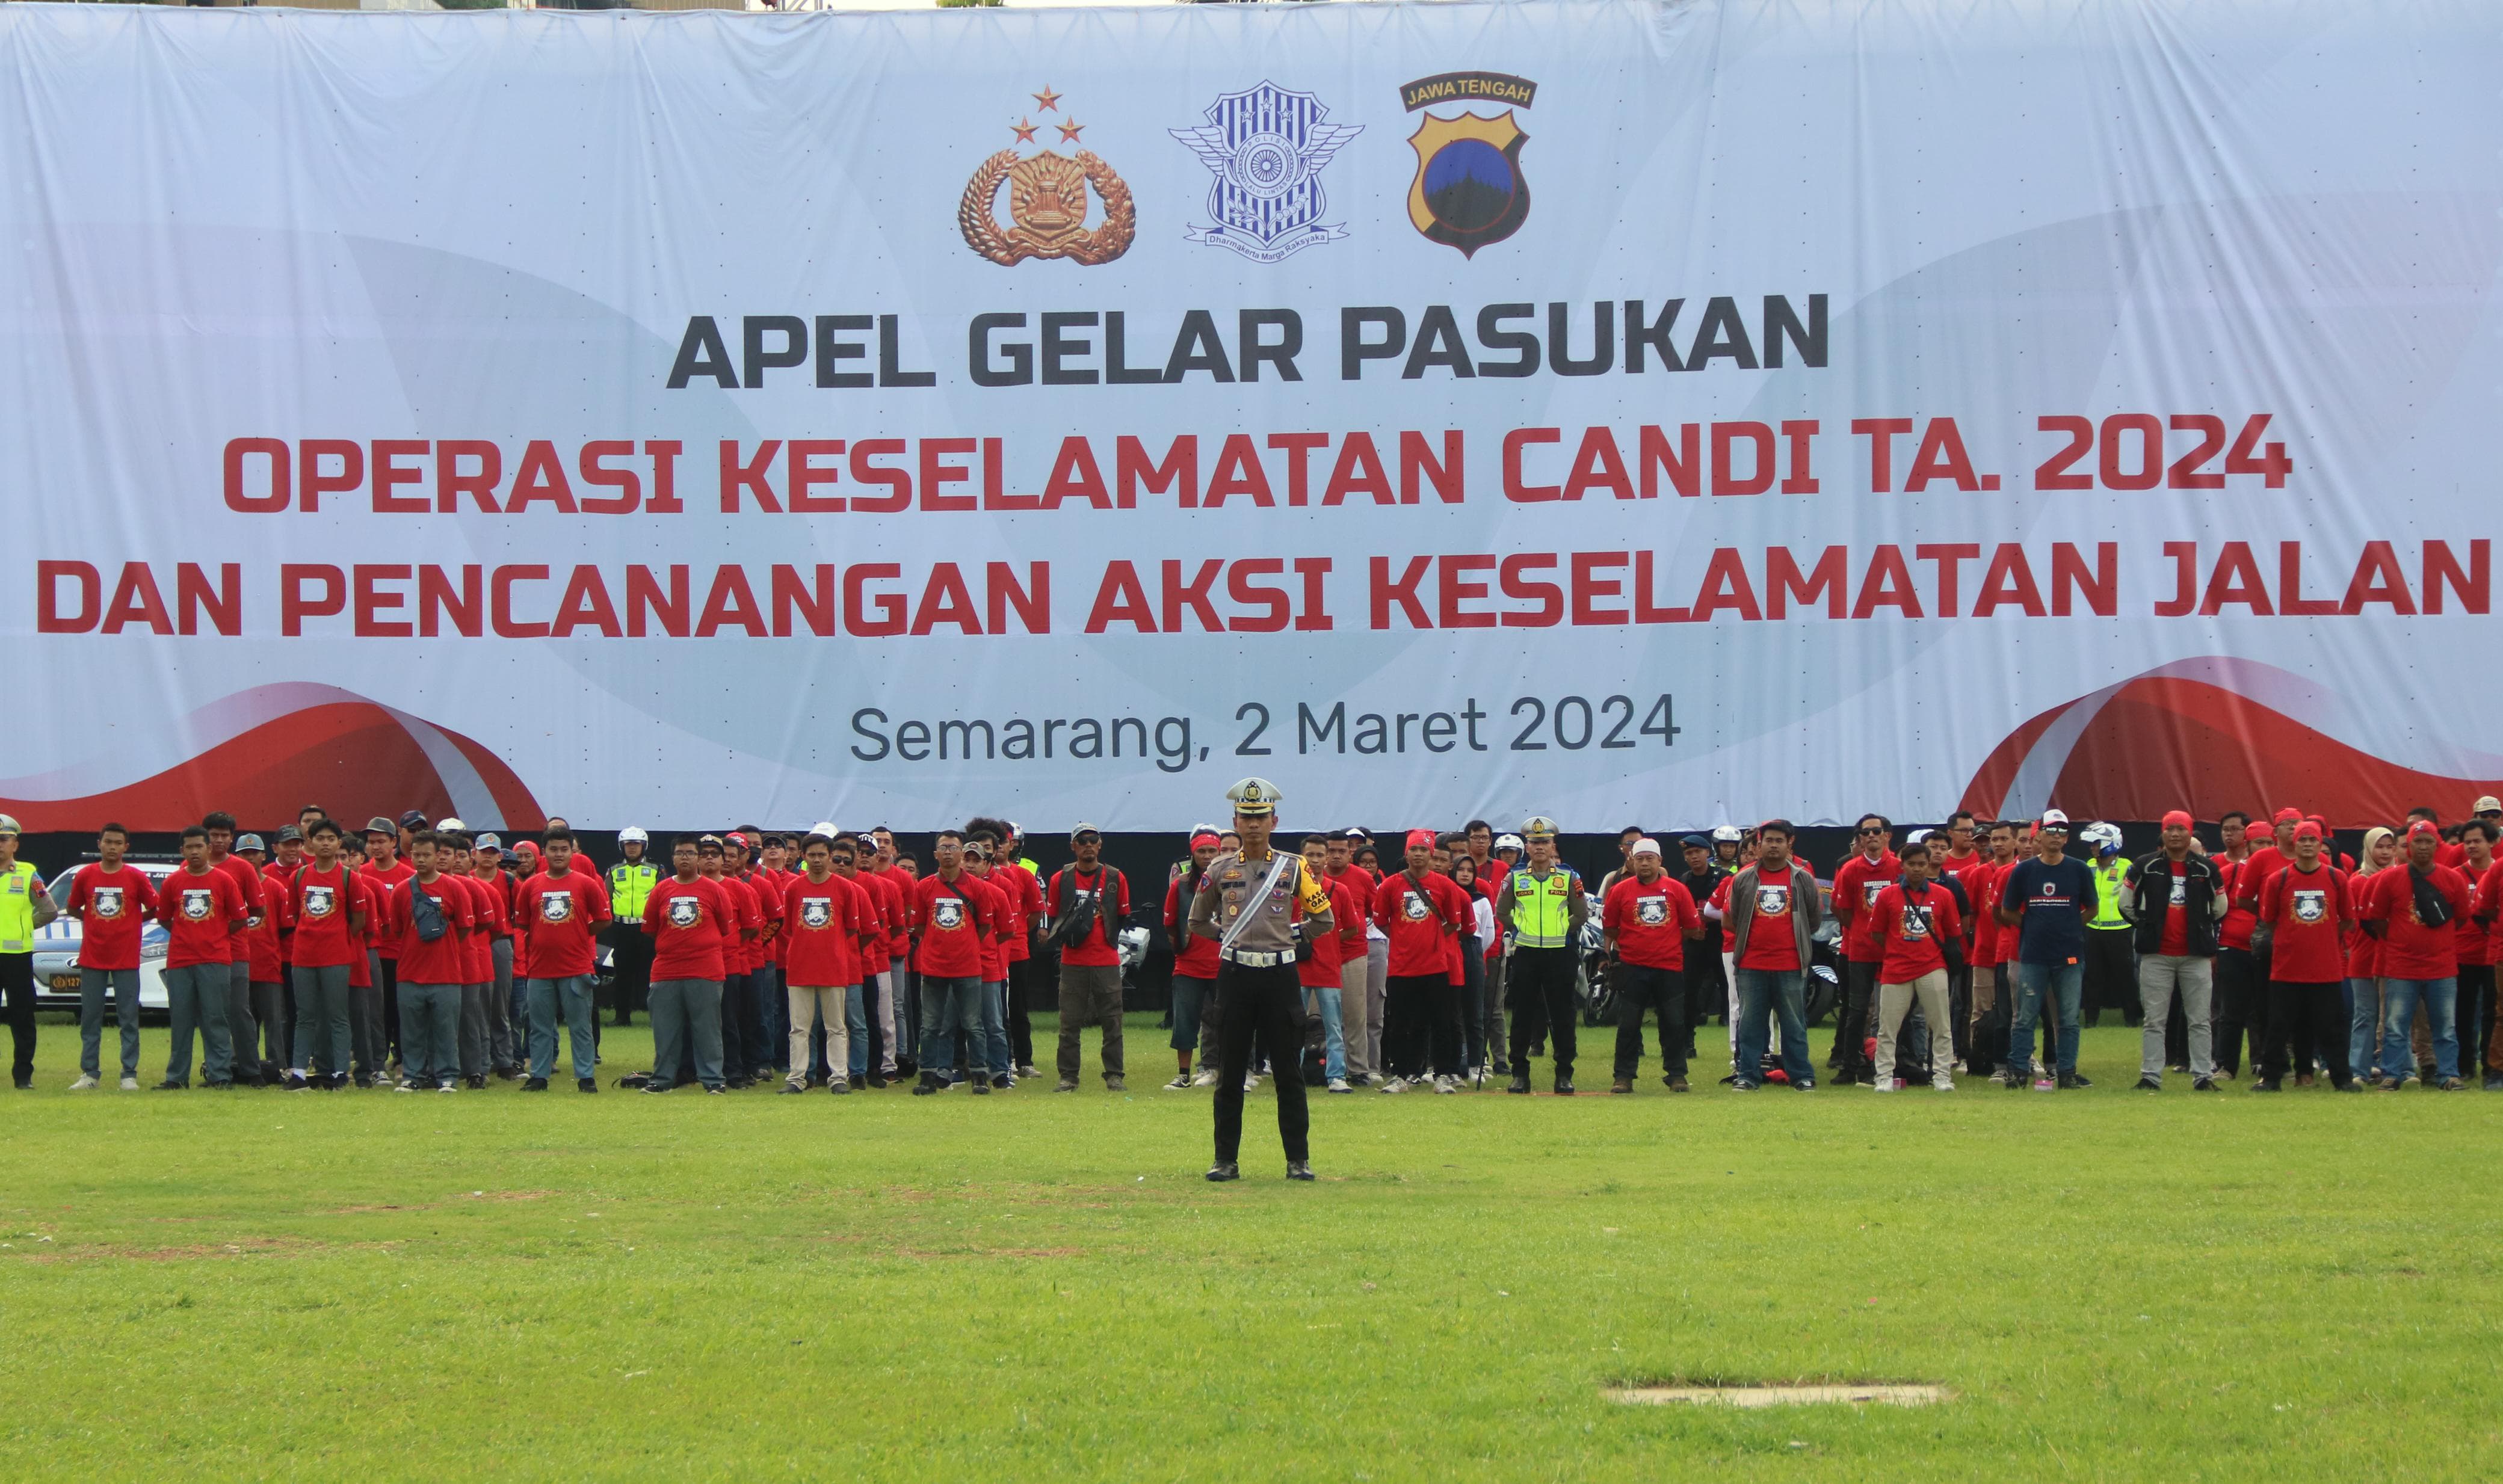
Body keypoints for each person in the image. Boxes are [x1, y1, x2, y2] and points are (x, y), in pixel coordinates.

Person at [1188, 777, 1333, 1182]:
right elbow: (1197, 920)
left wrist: (1291, 936)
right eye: (1247, 817)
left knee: (1289, 1073)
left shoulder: (1294, 867)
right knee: (1230, 1072)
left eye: (1261, 817)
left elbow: (1324, 919)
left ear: (1274, 821)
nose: (1254, 824)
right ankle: (1225, 1160)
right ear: (1235, 821)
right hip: (1235, 974)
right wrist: (1226, 937)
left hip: (1280, 974)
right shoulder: (1219, 868)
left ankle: (1298, 1160)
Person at [2362, 819, 2473, 1089]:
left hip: (2441, 968)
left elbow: (2460, 919)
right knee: (2395, 1026)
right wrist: (2401, 941)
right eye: (2417, 842)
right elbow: (2377, 919)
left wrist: (2435, 941)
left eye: (2428, 842)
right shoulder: (2390, 879)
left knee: (2445, 1027)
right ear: (2408, 846)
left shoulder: (2452, 879)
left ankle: (2448, 1075)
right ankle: (2392, 1074)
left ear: (2437, 845)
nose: (2423, 847)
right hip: (2402, 968)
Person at [2122, 811, 2225, 1091]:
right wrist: (2146, 927)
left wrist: (2201, 929)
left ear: (2191, 833)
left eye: (2181, 829)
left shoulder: (2206, 868)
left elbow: (2220, 907)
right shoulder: (2145, 865)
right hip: (2156, 955)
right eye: (2170, 829)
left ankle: (2203, 1076)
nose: (2175, 834)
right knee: (2154, 1020)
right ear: (2163, 833)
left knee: (2200, 1019)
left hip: (2195, 956)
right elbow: (2126, 902)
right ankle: (2150, 1076)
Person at [1997, 810, 2099, 1091]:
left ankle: (2067, 1073)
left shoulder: (2078, 869)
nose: (2056, 836)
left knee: (2068, 1019)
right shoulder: (2024, 871)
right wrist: (2032, 926)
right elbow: (2007, 911)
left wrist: (2070, 927)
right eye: (2051, 830)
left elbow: (2092, 908)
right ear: (2039, 835)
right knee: (2025, 1018)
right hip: (2033, 955)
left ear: (2067, 838)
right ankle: (2018, 1072)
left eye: (2062, 832)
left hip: (2069, 955)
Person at [1718, 819, 1823, 1091]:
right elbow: (1730, 919)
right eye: (1768, 840)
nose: (1773, 845)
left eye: (1779, 841)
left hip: (1791, 964)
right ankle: (1748, 1075)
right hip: (1751, 964)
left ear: (1789, 844)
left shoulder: (1802, 878)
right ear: (1758, 845)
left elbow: (1814, 920)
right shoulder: (1743, 878)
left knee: (1794, 1024)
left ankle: (1801, 1075)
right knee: (1750, 1024)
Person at [2254, 822, 2359, 1092]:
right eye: (2303, 840)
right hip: (2287, 968)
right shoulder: (2278, 879)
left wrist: (2324, 935)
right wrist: (2293, 936)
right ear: (2295, 843)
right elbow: (2270, 919)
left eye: (2313, 840)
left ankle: (2342, 1079)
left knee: (2331, 1027)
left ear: (2321, 843)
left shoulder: (2337, 878)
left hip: (2326, 968)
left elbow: (2348, 919)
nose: (2308, 844)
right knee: (2279, 1027)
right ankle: (2271, 1079)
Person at [1371, 828, 1471, 1094]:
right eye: (1413, 849)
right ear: (1406, 853)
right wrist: (1403, 937)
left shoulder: (1445, 886)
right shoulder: (1391, 885)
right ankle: (1400, 1075)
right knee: (1400, 1023)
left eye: (1423, 850)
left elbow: (1454, 923)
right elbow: (1381, 921)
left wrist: (1432, 938)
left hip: (1436, 966)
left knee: (1441, 1021)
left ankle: (1442, 1074)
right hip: (1401, 967)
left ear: (1431, 854)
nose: (1418, 854)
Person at [1601, 837, 1702, 1093]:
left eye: (1650, 859)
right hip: (1632, 967)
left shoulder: (1677, 889)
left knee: (1674, 1023)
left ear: (1660, 861)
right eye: (1640, 859)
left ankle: (1677, 1075)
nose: (1645, 863)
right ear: (1632, 861)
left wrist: (1666, 940)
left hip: (1669, 967)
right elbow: (1610, 927)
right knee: (1628, 1025)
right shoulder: (1619, 890)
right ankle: (1623, 1077)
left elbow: (1692, 928)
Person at [514, 827, 611, 1092]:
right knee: (539, 1027)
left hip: (576, 967)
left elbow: (604, 919)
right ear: (544, 853)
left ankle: (586, 1077)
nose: (559, 854)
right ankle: (539, 1076)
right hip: (540, 968)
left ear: (572, 852)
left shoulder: (586, 883)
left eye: (564, 849)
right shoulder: (531, 886)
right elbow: (523, 923)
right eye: (553, 849)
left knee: (580, 1026)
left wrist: (580, 931)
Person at [1493, 816, 1583, 1095]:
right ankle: (1520, 1074)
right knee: (1522, 1014)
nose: (1540, 847)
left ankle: (1564, 1074)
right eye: (1534, 842)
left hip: (1560, 954)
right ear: (1527, 847)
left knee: (1563, 1014)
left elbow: (1581, 914)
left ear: (1553, 845)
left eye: (1545, 841)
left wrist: (1562, 930)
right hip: (1527, 953)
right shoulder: (1515, 877)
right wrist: (1521, 929)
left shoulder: (1569, 877)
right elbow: (1502, 912)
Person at [156, 825, 250, 1089]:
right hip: (180, 961)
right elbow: (164, 918)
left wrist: (217, 933)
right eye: (190, 847)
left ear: (208, 849)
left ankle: (219, 1075)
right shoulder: (173, 882)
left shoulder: (224, 880)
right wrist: (186, 933)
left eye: (199, 846)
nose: (195, 852)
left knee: (216, 1018)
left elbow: (240, 918)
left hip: (215, 960)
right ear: (182, 851)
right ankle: (176, 1077)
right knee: (181, 1020)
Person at [64, 822, 153, 1091]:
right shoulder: (86, 875)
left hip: (126, 958)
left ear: (126, 847)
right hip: (93, 957)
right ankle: (90, 1073)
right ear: (99, 844)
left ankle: (129, 1074)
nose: (112, 847)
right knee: (90, 1017)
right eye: (108, 842)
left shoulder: (136, 877)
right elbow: (72, 907)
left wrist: (132, 921)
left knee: (129, 1018)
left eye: (118, 843)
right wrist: (92, 919)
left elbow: (155, 907)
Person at [1868, 845, 1961, 1092]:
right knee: (1888, 1027)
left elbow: (1953, 933)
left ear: (1929, 864)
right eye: (1912, 864)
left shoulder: (1943, 895)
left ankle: (1942, 1075)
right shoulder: (1887, 895)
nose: (1917, 869)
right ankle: (1884, 1076)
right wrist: (1897, 949)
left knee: (1941, 1024)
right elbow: (1877, 933)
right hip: (1896, 968)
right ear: (1902, 865)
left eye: (1922, 864)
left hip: (1932, 966)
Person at [386, 831, 474, 1093]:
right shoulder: (402, 890)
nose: (421, 860)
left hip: (446, 974)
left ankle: (447, 1076)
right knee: (412, 1031)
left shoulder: (454, 888)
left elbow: (465, 927)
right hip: (409, 973)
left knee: (446, 1030)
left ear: (438, 856)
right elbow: (398, 930)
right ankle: (413, 1075)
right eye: (417, 855)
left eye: (427, 855)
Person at [1045, 824, 1130, 1092]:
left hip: (1107, 960)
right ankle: (1068, 1077)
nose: (1088, 845)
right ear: (1073, 846)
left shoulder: (1115, 877)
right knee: (1069, 1023)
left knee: (1112, 1021)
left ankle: (1114, 1075)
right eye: (1082, 841)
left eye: (1093, 840)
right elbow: (1055, 916)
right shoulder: (1061, 879)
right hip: (1073, 961)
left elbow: (1122, 915)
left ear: (1100, 844)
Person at [285, 819, 369, 1090]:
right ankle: (299, 1073)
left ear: (339, 843)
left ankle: (340, 1072)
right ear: (310, 842)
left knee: (338, 1015)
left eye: (331, 839)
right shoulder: (298, 876)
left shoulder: (349, 878)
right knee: (305, 1016)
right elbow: (296, 915)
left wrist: (337, 938)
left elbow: (359, 920)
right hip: (303, 957)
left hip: (336, 958)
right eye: (319, 838)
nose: (325, 843)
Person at [779, 833, 865, 1095]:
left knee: (836, 1026)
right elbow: (790, 928)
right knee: (799, 1028)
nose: (817, 860)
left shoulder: (845, 888)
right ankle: (797, 1078)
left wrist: (830, 945)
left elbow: (851, 928)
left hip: (833, 967)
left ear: (830, 857)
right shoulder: (794, 888)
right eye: (812, 855)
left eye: (822, 855)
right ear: (803, 857)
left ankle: (838, 1077)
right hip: (799, 966)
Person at [642, 836, 729, 1094]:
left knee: (708, 1030)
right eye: (680, 853)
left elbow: (725, 928)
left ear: (699, 858)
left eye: (690, 853)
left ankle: (713, 1080)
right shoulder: (661, 890)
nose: (685, 858)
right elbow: (651, 928)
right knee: (665, 1030)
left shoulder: (714, 890)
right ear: (672, 858)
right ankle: (662, 1080)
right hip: (667, 970)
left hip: (705, 970)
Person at [909, 831, 992, 1096]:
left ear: (961, 853)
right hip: (934, 967)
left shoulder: (978, 887)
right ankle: (928, 1076)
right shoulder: (925, 887)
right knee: (930, 1026)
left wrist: (964, 943)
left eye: (953, 848)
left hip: (967, 967)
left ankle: (979, 1076)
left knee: (973, 1025)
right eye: (943, 847)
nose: (948, 852)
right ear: (935, 854)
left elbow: (984, 926)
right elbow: (919, 926)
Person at [1828, 814, 1900, 1085]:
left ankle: (1891, 1065)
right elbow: (1842, 910)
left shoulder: (1899, 868)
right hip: (1859, 952)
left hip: (1892, 952)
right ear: (1859, 838)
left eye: (1876, 831)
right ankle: (1850, 1066)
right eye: (1865, 832)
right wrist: (1862, 930)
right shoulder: (1850, 869)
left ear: (1887, 836)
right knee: (1856, 1010)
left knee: (1891, 1012)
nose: (1871, 836)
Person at [201, 811, 268, 1089]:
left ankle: (252, 1070)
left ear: (231, 838)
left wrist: (225, 922)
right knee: (212, 1013)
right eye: (214, 835)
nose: (219, 840)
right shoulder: (191, 866)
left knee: (240, 1012)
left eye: (224, 835)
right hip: (203, 954)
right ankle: (218, 1071)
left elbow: (259, 909)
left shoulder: (242, 868)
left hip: (236, 950)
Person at [1164, 830, 1223, 1089]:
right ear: (1193, 854)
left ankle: (1233, 1072)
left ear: (1219, 852)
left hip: (1224, 963)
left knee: (1230, 1021)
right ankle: (1184, 1075)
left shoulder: (1232, 880)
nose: (1207, 856)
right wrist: (1181, 947)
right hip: (1188, 966)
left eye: (1212, 851)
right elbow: (1169, 923)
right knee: (1184, 1022)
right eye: (1202, 851)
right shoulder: (1180, 885)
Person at [356, 816, 412, 1084]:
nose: (375, 847)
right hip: (372, 953)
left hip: (401, 954)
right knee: (375, 1012)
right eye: (371, 842)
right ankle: (375, 1060)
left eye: (381, 841)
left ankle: (402, 1058)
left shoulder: (408, 876)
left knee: (400, 1010)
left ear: (394, 842)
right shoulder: (361, 874)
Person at [2347, 827, 2397, 1084]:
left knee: (2393, 1017)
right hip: (2364, 957)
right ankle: (2359, 1069)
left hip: (2393, 959)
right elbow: (2350, 922)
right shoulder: (2357, 881)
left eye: (2390, 847)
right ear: (2368, 849)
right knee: (2365, 1015)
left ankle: (2393, 1068)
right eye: (2380, 846)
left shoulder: (2401, 877)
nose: (2385, 852)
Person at [2080, 823, 2137, 1026]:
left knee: (2125, 976)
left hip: (2120, 930)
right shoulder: (2088, 866)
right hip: (2093, 929)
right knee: (2092, 976)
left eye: (2096, 843)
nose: (2092, 848)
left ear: (2109, 844)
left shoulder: (2127, 867)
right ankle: (2090, 1020)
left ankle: (2132, 1018)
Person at [605, 826, 658, 1027]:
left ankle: (655, 1016)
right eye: (628, 844)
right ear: (622, 847)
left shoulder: (656, 869)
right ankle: (622, 1017)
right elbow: (606, 896)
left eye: (636, 844)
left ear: (644, 846)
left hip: (648, 929)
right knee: (622, 974)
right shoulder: (614, 870)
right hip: (622, 929)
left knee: (652, 973)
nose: (632, 848)